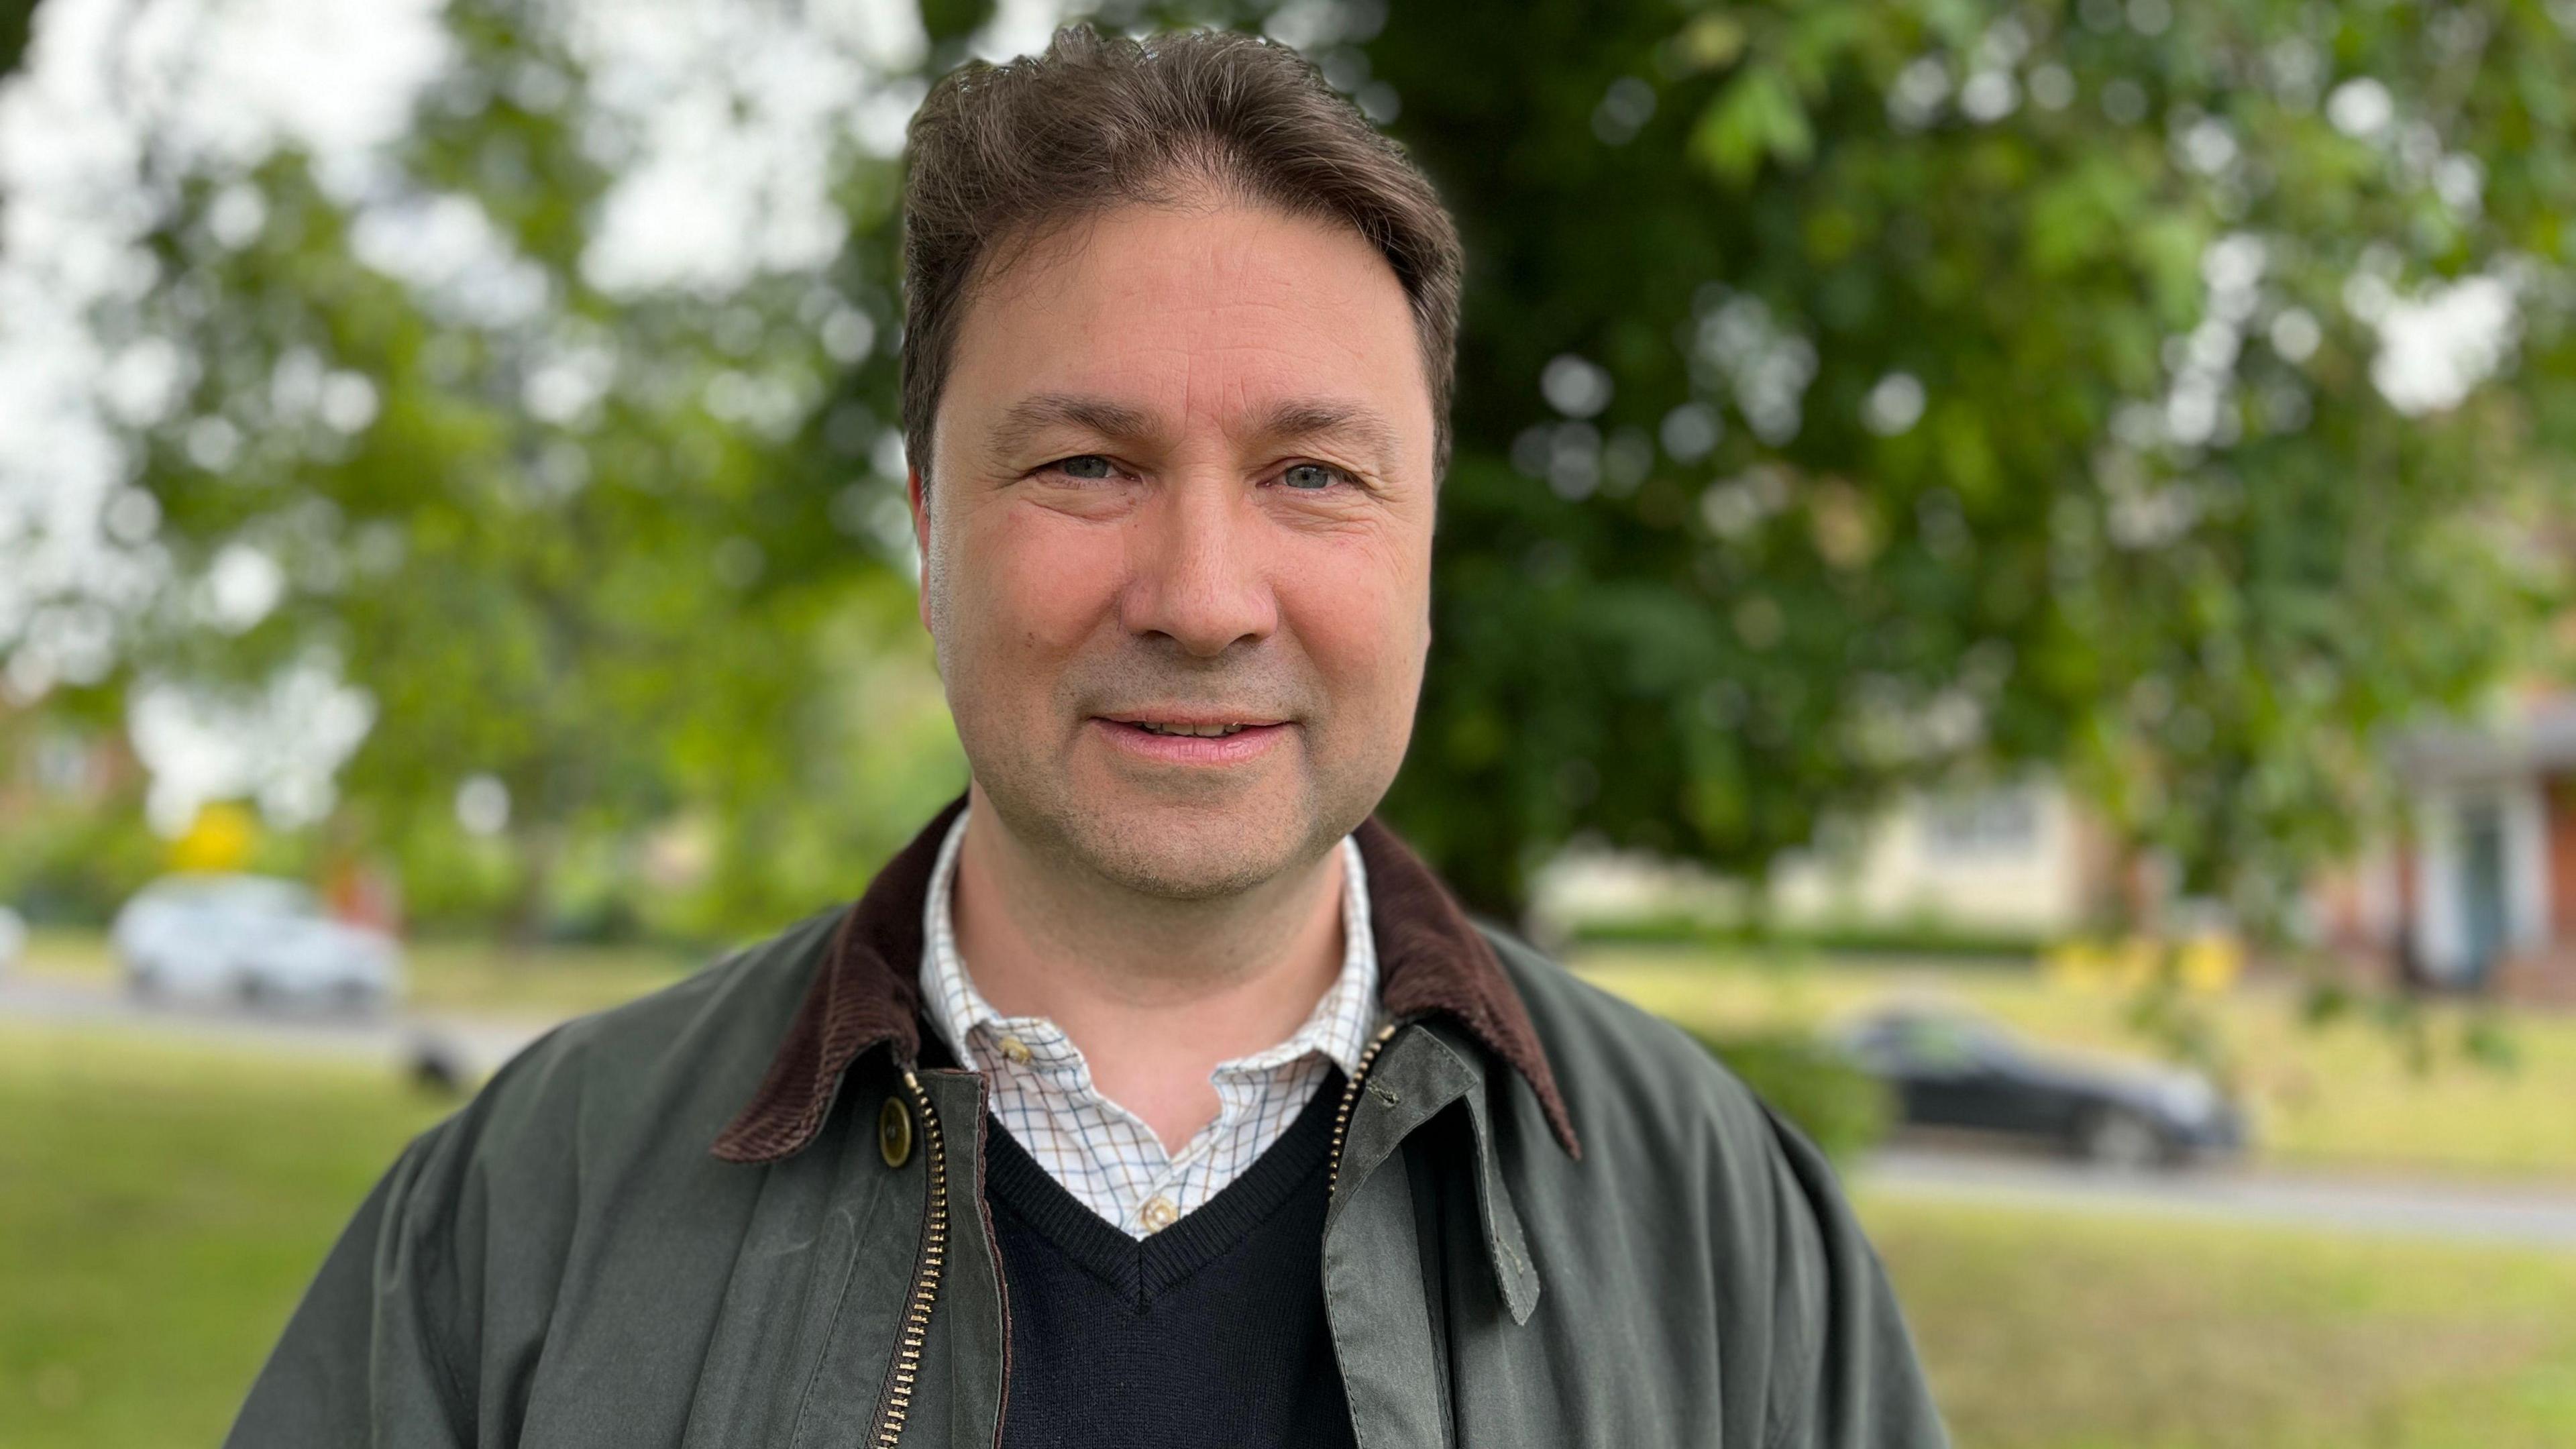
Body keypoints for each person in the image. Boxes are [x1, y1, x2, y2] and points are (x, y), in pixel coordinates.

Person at [229, 26, 1945, 1448]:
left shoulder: (1731, 1237)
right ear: (926, 535)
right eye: (1086, 468)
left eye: (1313, 476)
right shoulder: (524, 1209)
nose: (1203, 598)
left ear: (1425, 555)